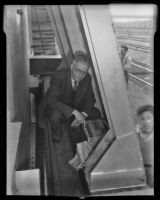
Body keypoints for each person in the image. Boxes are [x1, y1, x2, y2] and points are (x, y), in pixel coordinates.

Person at [38, 50, 101, 147]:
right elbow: (52, 101)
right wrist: (75, 112)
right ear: (72, 67)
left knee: (96, 112)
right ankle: (57, 135)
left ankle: (81, 129)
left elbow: (91, 99)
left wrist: (83, 114)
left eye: (84, 72)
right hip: (58, 106)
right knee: (55, 115)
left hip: (75, 105)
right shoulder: (59, 76)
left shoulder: (87, 78)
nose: (80, 75)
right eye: (78, 71)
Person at [136, 104, 154, 188]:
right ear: (138, 120)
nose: (146, 121)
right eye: (142, 118)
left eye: (149, 118)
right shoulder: (134, 135)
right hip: (139, 173)